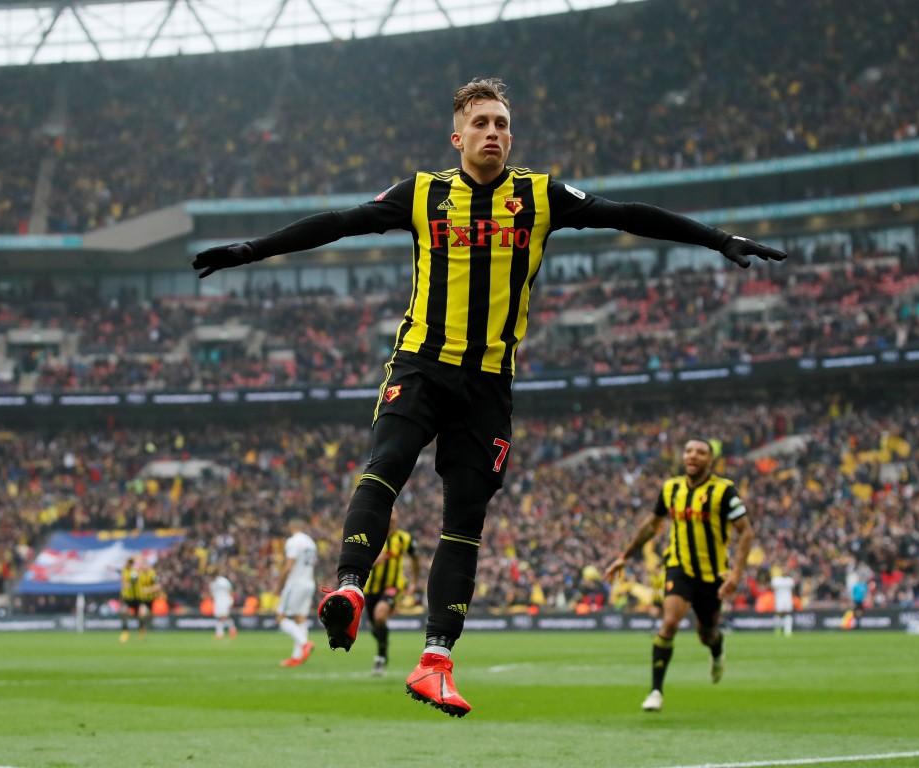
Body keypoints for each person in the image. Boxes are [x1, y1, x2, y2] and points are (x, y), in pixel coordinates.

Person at [192, 77, 786, 717]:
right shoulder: (423, 194)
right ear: (458, 137)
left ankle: (434, 663)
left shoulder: (539, 195)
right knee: (385, 466)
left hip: (488, 385)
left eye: (503, 123)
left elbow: (628, 214)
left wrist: (717, 238)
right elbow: (339, 223)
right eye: (482, 123)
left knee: (464, 523)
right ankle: (350, 588)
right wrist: (253, 249)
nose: (495, 133)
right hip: (422, 363)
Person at [603, 437, 755, 713]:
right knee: (670, 623)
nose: (693, 456)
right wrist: (624, 556)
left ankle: (717, 649)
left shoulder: (724, 491)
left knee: (706, 633)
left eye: (700, 452)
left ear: (710, 460)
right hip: (679, 567)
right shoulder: (671, 488)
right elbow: (652, 525)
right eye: (688, 451)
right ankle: (656, 691)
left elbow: (746, 531)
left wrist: (736, 574)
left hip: (712, 574)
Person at [364, 508, 421, 676]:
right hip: (370, 588)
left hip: (394, 586)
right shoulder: (372, 537)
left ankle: (381, 657)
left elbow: (415, 559)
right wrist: (372, 561)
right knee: (376, 627)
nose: (391, 520)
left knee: (380, 614)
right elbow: (359, 559)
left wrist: (415, 582)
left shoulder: (405, 539)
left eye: (394, 516)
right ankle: (383, 643)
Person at [275, 518, 318, 667]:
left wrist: (279, 583)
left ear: (291, 526)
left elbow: (289, 566)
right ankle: (297, 656)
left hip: (296, 583)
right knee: (300, 619)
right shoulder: (311, 543)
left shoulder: (293, 541)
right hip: (309, 582)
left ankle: (305, 644)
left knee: (281, 617)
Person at [120, 556, 160, 642]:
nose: (143, 566)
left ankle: (142, 628)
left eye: (144, 564)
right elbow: (127, 580)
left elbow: (158, 585)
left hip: (145, 599)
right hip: (132, 598)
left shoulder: (152, 573)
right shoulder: (134, 573)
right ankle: (125, 631)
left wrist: (148, 590)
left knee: (143, 615)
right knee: (124, 611)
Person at [209, 566, 238, 640]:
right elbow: (212, 593)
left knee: (224, 616)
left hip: (225, 600)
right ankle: (227, 631)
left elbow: (229, 590)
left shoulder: (223, 581)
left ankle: (224, 632)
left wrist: (231, 600)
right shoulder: (212, 583)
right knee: (220, 617)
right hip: (217, 601)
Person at [770, 567, 796, 637]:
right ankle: (778, 629)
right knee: (778, 614)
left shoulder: (790, 580)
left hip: (788, 600)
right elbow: (772, 589)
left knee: (788, 614)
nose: (785, 572)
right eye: (784, 570)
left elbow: (793, 591)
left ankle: (788, 631)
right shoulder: (776, 580)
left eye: (786, 570)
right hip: (779, 599)